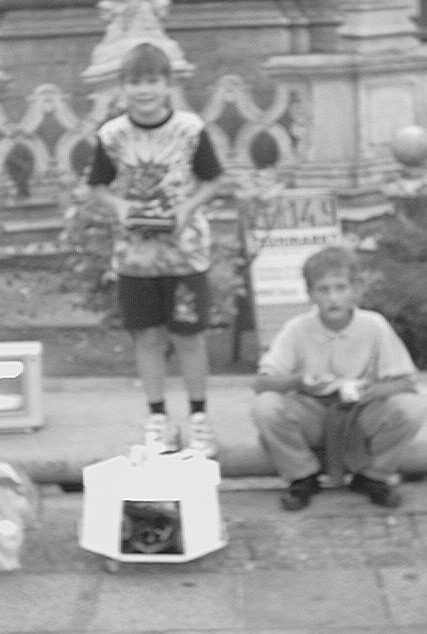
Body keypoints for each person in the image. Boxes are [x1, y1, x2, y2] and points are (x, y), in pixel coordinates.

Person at [87, 43, 223, 457]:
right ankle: (158, 418)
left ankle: (198, 419)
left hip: (185, 254)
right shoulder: (112, 136)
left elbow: (212, 181)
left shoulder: (190, 130)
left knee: (189, 337)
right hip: (135, 257)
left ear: (167, 85)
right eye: (135, 82)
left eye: (151, 81)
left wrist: (186, 209)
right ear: (122, 87)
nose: (143, 90)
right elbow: (97, 186)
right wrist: (120, 207)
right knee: (147, 336)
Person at [251, 245, 426, 510]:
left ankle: (373, 476)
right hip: (315, 413)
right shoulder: (297, 329)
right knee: (266, 406)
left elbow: (407, 382)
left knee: (412, 407)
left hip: (360, 413)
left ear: (355, 290)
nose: (333, 298)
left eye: (340, 288)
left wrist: (372, 390)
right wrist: (299, 381)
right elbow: (261, 383)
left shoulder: (374, 326)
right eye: (323, 290)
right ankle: (302, 476)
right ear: (310, 294)